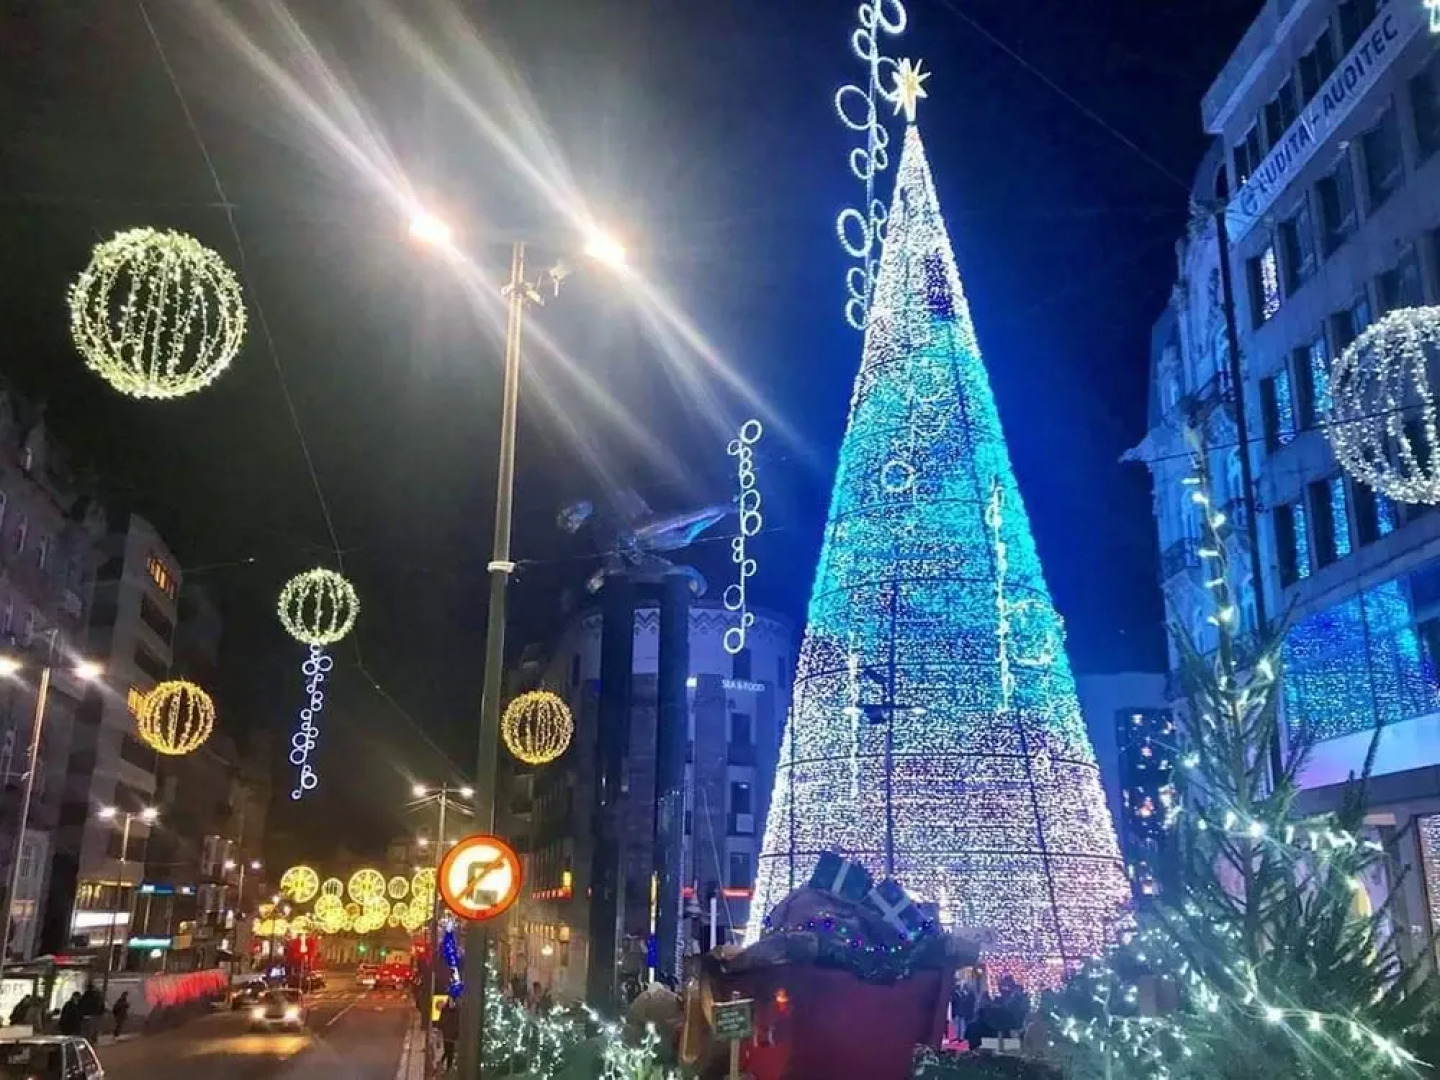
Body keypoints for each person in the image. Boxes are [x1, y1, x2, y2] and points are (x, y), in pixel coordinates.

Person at [438, 999, 459, 1072]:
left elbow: (457, 1023)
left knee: (450, 1052)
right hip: (447, 1035)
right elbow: (440, 1022)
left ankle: (446, 1066)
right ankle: (444, 1065)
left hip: (452, 1035)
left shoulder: (457, 1011)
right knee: (448, 1050)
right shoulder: (446, 1010)